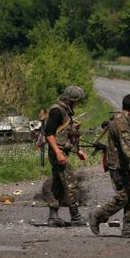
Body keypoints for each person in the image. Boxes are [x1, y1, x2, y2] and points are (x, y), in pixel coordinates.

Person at [90, 94, 130, 238]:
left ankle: (129, 226)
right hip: (118, 167)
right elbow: (126, 147)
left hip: (125, 165)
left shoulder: (122, 120)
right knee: (123, 197)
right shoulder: (121, 123)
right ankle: (98, 215)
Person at [43, 85, 88, 227]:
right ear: (71, 100)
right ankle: (75, 216)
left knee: (58, 185)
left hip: (61, 151)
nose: (78, 103)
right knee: (70, 183)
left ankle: (53, 216)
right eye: (78, 100)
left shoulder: (65, 111)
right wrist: (58, 153)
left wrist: (78, 150)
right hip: (58, 152)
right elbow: (49, 134)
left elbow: (67, 134)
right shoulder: (57, 111)